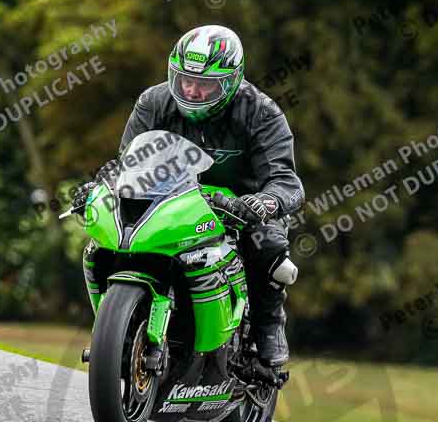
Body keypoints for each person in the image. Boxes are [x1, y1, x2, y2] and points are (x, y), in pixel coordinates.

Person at [75, 25, 305, 366]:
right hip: (171, 200)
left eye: (206, 84)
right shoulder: (153, 102)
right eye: (186, 80)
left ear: (230, 81)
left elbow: (287, 181)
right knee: (106, 243)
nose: (194, 91)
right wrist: (98, 187)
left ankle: (267, 325)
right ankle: (120, 329)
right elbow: (127, 162)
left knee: (265, 244)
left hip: (239, 207)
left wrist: (264, 202)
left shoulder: (261, 112)